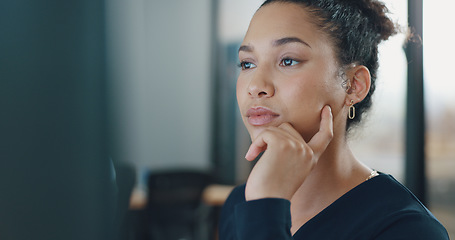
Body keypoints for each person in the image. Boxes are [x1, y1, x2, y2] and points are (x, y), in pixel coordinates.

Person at [219, 0, 450, 239]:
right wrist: (262, 203)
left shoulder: (408, 229)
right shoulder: (243, 202)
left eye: (288, 61)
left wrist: (264, 210)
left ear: (353, 86)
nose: (256, 86)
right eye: (247, 64)